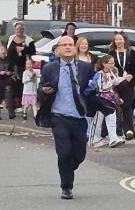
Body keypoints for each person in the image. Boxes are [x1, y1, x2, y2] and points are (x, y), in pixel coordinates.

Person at [36, 33, 96, 199]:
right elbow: (41, 89)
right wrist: (43, 91)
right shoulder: (50, 68)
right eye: (65, 45)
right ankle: (66, 187)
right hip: (59, 116)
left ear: (75, 48)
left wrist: (94, 89)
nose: (68, 47)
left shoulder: (85, 67)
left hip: (80, 116)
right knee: (64, 153)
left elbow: (92, 88)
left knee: (79, 154)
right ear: (58, 50)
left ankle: (68, 169)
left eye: (71, 44)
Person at [107, 31, 135, 141]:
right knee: (117, 106)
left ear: (124, 40)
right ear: (114, 41)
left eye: (120, 39)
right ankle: (117, 131)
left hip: (129, 84)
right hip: (116, 84)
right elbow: (106, 67)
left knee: (127, 106)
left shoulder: (130, 53)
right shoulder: (112, 53)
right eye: (116, 39)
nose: (118, 41)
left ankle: (129, 130)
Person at [88, 54, 126, 148]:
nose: (113, 64)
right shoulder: (100, 74)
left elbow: (115, 81)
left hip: (109, 99)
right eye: (111, 63)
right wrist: (111, 83)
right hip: (100, 99)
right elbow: (101, 88)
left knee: (111, 117)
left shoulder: (110, 72)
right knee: (98, 119)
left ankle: (113, 139)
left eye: (113, 62)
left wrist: (123, 79)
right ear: (104, 64)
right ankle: (93, 140)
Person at [7, 22, 37, 120]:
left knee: (22, 85)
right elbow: (8, 51)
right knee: (13, 85)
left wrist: (23, 49)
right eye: (17, 29)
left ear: (23, 30)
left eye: (21, 29)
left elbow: (33, 51)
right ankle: (14, 106)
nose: (19, 31)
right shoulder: (11, 38)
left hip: (24, 66)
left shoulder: (29, 40)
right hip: (13, 66)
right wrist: (15, 49)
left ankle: (22, 105)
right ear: (15, 30)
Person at [0, 46, 15, 120]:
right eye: (1, 50)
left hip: (7, 81)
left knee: (9, 96)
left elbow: (13, 71)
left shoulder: (10, 61)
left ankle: (11, 113)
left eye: (4, 49)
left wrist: (10, 73)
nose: (3, 51)